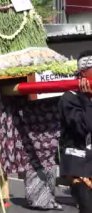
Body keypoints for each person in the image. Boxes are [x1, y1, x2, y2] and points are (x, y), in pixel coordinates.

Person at [59, 50, 92, 213]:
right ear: (83, 74)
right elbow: (84, 128)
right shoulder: (69, 98)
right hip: (79, 164)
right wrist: (87, 101)